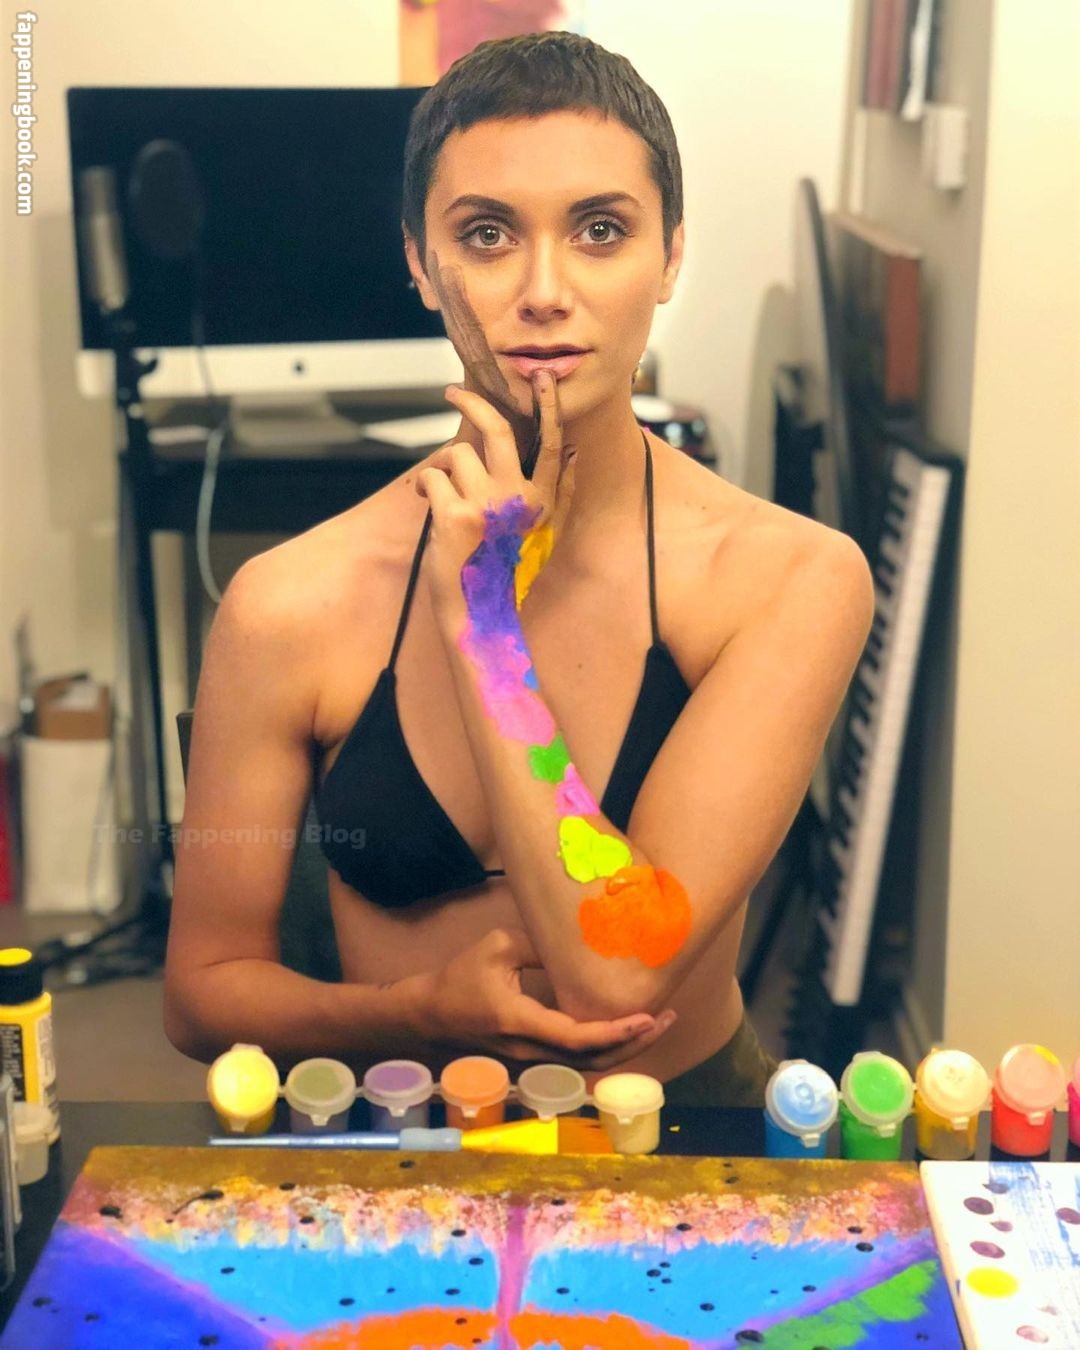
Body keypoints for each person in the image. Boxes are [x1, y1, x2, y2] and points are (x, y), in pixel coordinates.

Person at [163, 31, 873, 1107]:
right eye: (487, 234)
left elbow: (613, 976)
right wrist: (412, 1013)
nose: (545, 291)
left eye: (601, 230)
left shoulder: (789, 578)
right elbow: (202, 994)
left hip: (684, 1140)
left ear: (670, 257)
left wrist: (485, 627)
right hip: (405, 1138)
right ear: (418, 261)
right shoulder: (288, 604)